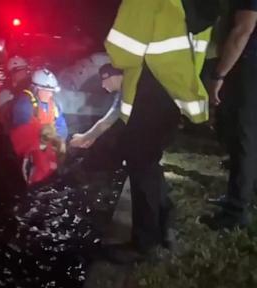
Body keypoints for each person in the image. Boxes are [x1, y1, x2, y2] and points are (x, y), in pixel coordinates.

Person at [101, 0, 213, 264]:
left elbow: (122, 52)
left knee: (141, 165)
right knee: (150, 160)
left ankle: (144, 243)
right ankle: (163, 222)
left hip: (148, 92)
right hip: (174, 93)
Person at [201, 0, 257, 230]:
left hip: (248, 66)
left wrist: (219, 75)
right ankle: (242, 195)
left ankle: (236, 211)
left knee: (243, 137)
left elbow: (243, 29)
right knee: (249, 136)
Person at [8, 69, 68, 185]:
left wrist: (58, 144)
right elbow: (20, 132)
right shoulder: (24, 104)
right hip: (31, 146)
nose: (50, 94)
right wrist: (38, 146)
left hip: (47, 143)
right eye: (46, 91)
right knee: (41, 168)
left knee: (54, 166)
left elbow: (62, 127)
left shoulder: (54, 105)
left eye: (52, 91)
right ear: (35, 89)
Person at [70, 63, 122, 150]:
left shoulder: (126, 93)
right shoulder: (122, 93)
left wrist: (84, 138)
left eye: (103, 80)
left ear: (110, 76)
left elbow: (106, 122)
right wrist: (92, 136)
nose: (103, 85)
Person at [0, 56, 31, 126]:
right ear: (12, 74)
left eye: (25, 70)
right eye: (20, 71)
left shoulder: (30, 87)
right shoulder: (5, 93)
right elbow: (3, 119)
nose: (24, 74)